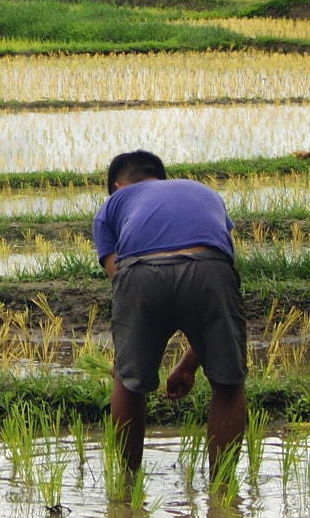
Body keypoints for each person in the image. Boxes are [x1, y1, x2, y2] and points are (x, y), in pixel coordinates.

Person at [94, 150, 247, 475]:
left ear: (119, 187)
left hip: (141, 273)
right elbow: (224, 268)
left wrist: (126, 361)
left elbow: (120, 280)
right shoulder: (205, 193)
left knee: (128, 382)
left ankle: (127, 487)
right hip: (210, 269)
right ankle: (223, 492)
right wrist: (190, 364)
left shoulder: (112, 205)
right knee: (228, 383)